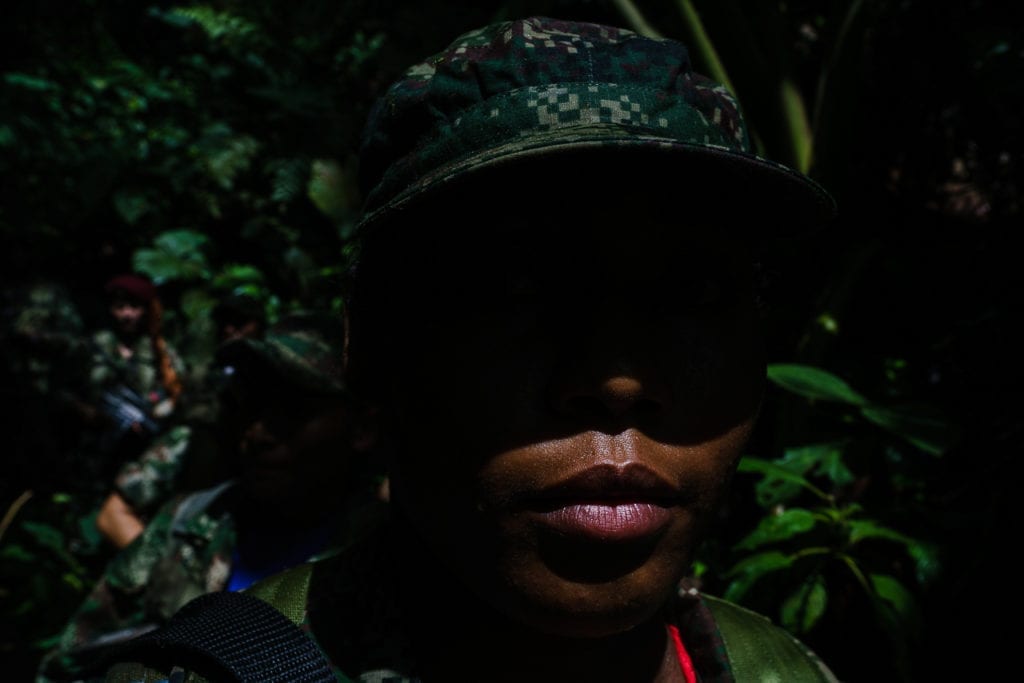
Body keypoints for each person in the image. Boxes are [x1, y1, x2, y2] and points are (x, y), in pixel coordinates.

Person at [103, 16, 839, 682]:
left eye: (697, 294)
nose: (617, 379)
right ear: (372, 345)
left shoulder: (783, 670)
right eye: (513, 288)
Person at [38, 312, 385, 682]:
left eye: (292, 411)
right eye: (249, 406)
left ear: (362, 426)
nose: (257, 433)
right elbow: (67, 663)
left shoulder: (388, 559)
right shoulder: (190, 521)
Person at [94, 293, 269, 549]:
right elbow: (114, 515)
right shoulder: (201, 402)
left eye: (241, 322)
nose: (231, 330)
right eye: (225, 322)